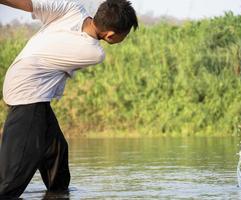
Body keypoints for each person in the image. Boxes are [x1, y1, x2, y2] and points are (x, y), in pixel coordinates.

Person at [0, 0, 138, 198]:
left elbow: (29, 3)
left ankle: (58, 194)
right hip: (28, 94)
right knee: (12, 177)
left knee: (55, 153)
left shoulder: (71, 8)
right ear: (111, 35)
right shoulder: (93, 52)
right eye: (124, 35)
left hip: (28, 88)